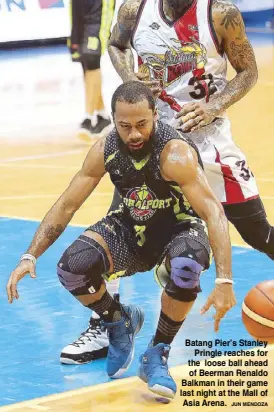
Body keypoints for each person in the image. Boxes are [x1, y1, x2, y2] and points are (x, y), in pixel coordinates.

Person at [62, 0, 274, 364]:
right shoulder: (133, 10)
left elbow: (248, 71)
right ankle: (107, 322)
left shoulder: (221, 15)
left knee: (257, 233)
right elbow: (115, 45)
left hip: (207, 140)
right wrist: (130, 79)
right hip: (152, 142)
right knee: (120, 225)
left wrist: (215, 104)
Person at [7, 82, 235, 399]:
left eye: (142, 123)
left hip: (178, 229)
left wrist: (225, 280)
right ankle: (118, 321)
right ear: (114, 119)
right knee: (72, 268)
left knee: (186, 265)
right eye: (124, 125)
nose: (134, 134)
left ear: (155, 115)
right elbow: (67, 204)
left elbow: (213, 213)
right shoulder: (106, 149)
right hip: (132, 226)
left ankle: (157, 353)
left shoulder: (175, 154)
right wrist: (29, 256)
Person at [69, 0, 115, 139]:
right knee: (85, 65)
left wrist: (104, 31)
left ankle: (88, 118)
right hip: (81, 20)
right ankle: (102, 115)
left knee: (91, 61)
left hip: (97, 21)